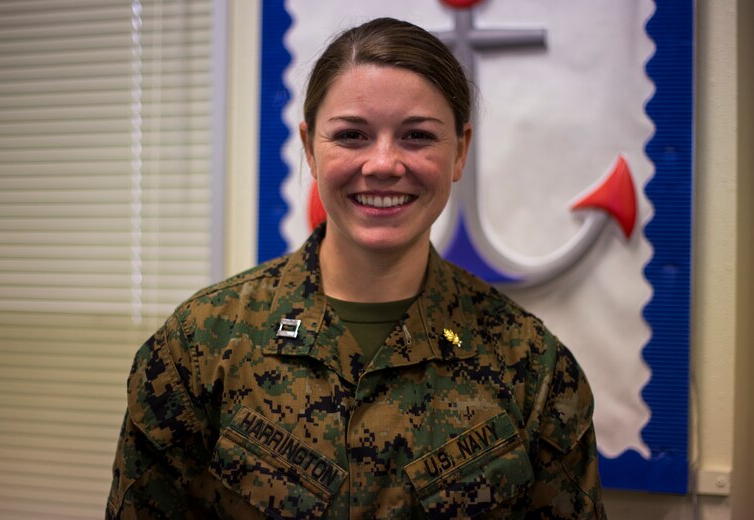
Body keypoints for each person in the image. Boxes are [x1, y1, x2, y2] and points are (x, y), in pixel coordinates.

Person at [107, 17, 606, 520]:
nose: (384, 163)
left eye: (416, 136)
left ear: (460, 151)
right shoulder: (201, 345)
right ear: (309, 149)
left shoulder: (532, 365)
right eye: (351, 135)